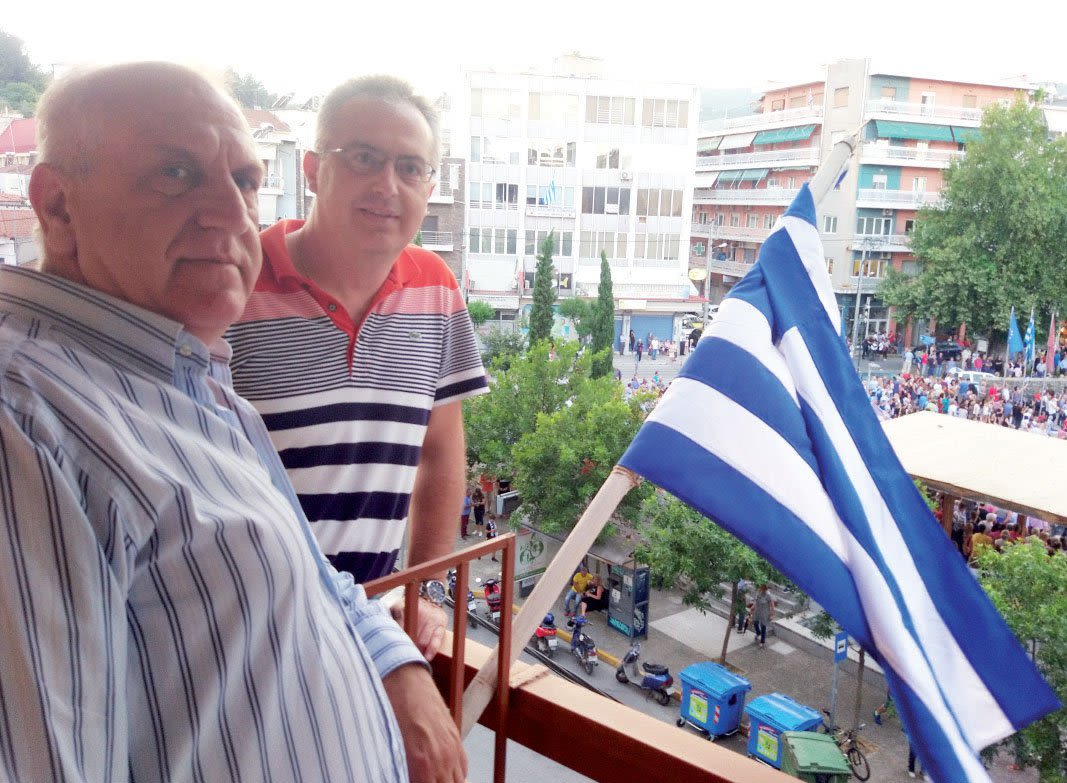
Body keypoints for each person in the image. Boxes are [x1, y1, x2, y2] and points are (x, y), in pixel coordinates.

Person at [4, 61, 464, 782]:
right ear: (58, 206)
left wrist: (395, 654)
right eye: (176, 174)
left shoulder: (192, 376)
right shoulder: (26, 425)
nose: (230, 213)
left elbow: (300, 570)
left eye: (245, 181)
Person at [226, 75, 488, 655]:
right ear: (312, 170)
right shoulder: (234, 287)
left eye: (410, 167)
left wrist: (423, 588)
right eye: (363, 158)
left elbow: (440, 449)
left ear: (429, 187)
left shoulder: (435, 288)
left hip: (369, 631)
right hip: (251, 632)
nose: (387, 185)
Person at [751, 583, 775, 647]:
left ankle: (762, 641)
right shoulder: (758, 592)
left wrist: (772, 614)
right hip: (757, 610)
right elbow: (756, 601)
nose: (760, 589)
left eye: (761, 588)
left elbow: (772, 605)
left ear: (764, 588)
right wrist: (753, 606)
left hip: (764, 612)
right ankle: (758, 632)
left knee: (763, 626)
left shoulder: (768, 595)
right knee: (755, 622)